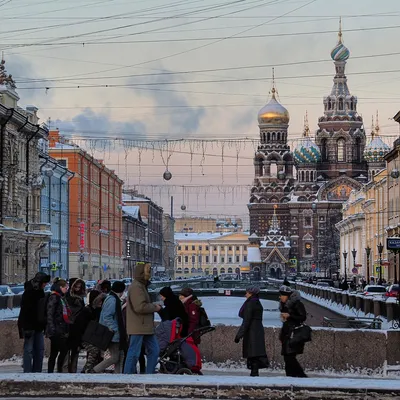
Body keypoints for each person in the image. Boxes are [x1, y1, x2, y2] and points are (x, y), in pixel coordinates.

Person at [124, 262, 161, 374]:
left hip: (145, 326)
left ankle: (149, 375)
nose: (150, 274)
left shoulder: (141, 286)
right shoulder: (136, 287)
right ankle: (127, 377)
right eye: (148, 271)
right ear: (142, 273)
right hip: (138, 325)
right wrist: (155, 307)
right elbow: (140, 307)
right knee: (134, 352)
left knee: (155, 351)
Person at [18, 272, 51, 373]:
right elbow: (24, 312)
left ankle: (37, 371)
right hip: (29, 326)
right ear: (39, 282)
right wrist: (24, 327)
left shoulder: (40, 292)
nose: (45, 285)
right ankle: (27, 372)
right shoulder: (28, 293)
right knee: (29, 350)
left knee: (40, 350)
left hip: (38, 326)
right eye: (44, 283)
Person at [92, 281, 127, 373]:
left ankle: (118, 375)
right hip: (113, 334)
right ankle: (95, 370)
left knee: (120, 356)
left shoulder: (111, 298)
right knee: (115, 357)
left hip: (114, 333)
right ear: (121, 291)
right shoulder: (112, 300)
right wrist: (115, 329)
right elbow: (107, 316)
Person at [234, 286, 269, 377]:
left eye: (247, 292)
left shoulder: (250, 304)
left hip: (251, 332)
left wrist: (239, 335)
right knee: (255, 354)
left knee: (253, 354)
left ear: (251, 294)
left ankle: (254, 374)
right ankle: (254, 373)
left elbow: (246, 321)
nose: (245, 294)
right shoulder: (257, 302)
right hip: (258, 330)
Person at [73, 290, 106, 373]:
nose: (101, 303)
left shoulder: (98, 311)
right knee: (94, 351)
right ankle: (87, 369)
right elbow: (79, 327)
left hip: (92, 338)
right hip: (83, 337)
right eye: (99, 301)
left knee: (96, 352)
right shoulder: (86, 311)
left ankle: (89, 369)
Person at [279, 285, 307, 378]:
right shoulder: (285, 305)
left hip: (294, 335)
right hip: (287, 334)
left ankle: (301, 376)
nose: (280, 297)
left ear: (287, 296)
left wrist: (289, 316)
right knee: (287, 358)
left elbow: (303, 317)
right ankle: (290, 377)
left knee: (290, 357)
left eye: (282, 295)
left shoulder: (297, 304)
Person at [46, 278, 71, 373]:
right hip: (55, 330)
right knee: (63, 350)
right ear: (60, 287)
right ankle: (57, 371)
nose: (67, 289)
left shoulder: (60, 297)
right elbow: (50, 314)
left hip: (60, 328)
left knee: (54, 352)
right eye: (65, 287)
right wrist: (52, 328)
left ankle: (52, 372)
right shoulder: (54, 297)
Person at [65, 278, 86, 373]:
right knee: (66, 350)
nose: (78, 288)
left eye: (79, 286)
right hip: (69, 326)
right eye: (76, 286)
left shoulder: (80, 297)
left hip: (78, 327)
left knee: (75, 350)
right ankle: (64, 370)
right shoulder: (68, 297)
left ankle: (73, 370)